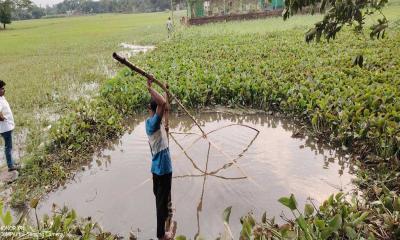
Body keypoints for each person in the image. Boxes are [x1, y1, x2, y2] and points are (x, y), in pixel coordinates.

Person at [145, 78, 174, 240]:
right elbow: (163, 105)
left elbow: (164, 105)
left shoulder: (154, 122)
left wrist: (164, 89)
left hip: (158, 169)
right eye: (160, 111)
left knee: (160, 198)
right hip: (162, 170)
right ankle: (161, 235)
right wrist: (150, 88)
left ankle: (164, 223)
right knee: (161, 203)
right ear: (155, 110)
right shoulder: (153, 124)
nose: (163, 112)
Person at [0, 80, 19, 172]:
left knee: (9, 146)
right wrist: (3, 118)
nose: (4, 90)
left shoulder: (2, 98)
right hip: (5, 128)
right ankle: (11, 166)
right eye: (2, 89)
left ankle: (11, 163)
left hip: (7, 126)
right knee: (8, 146)